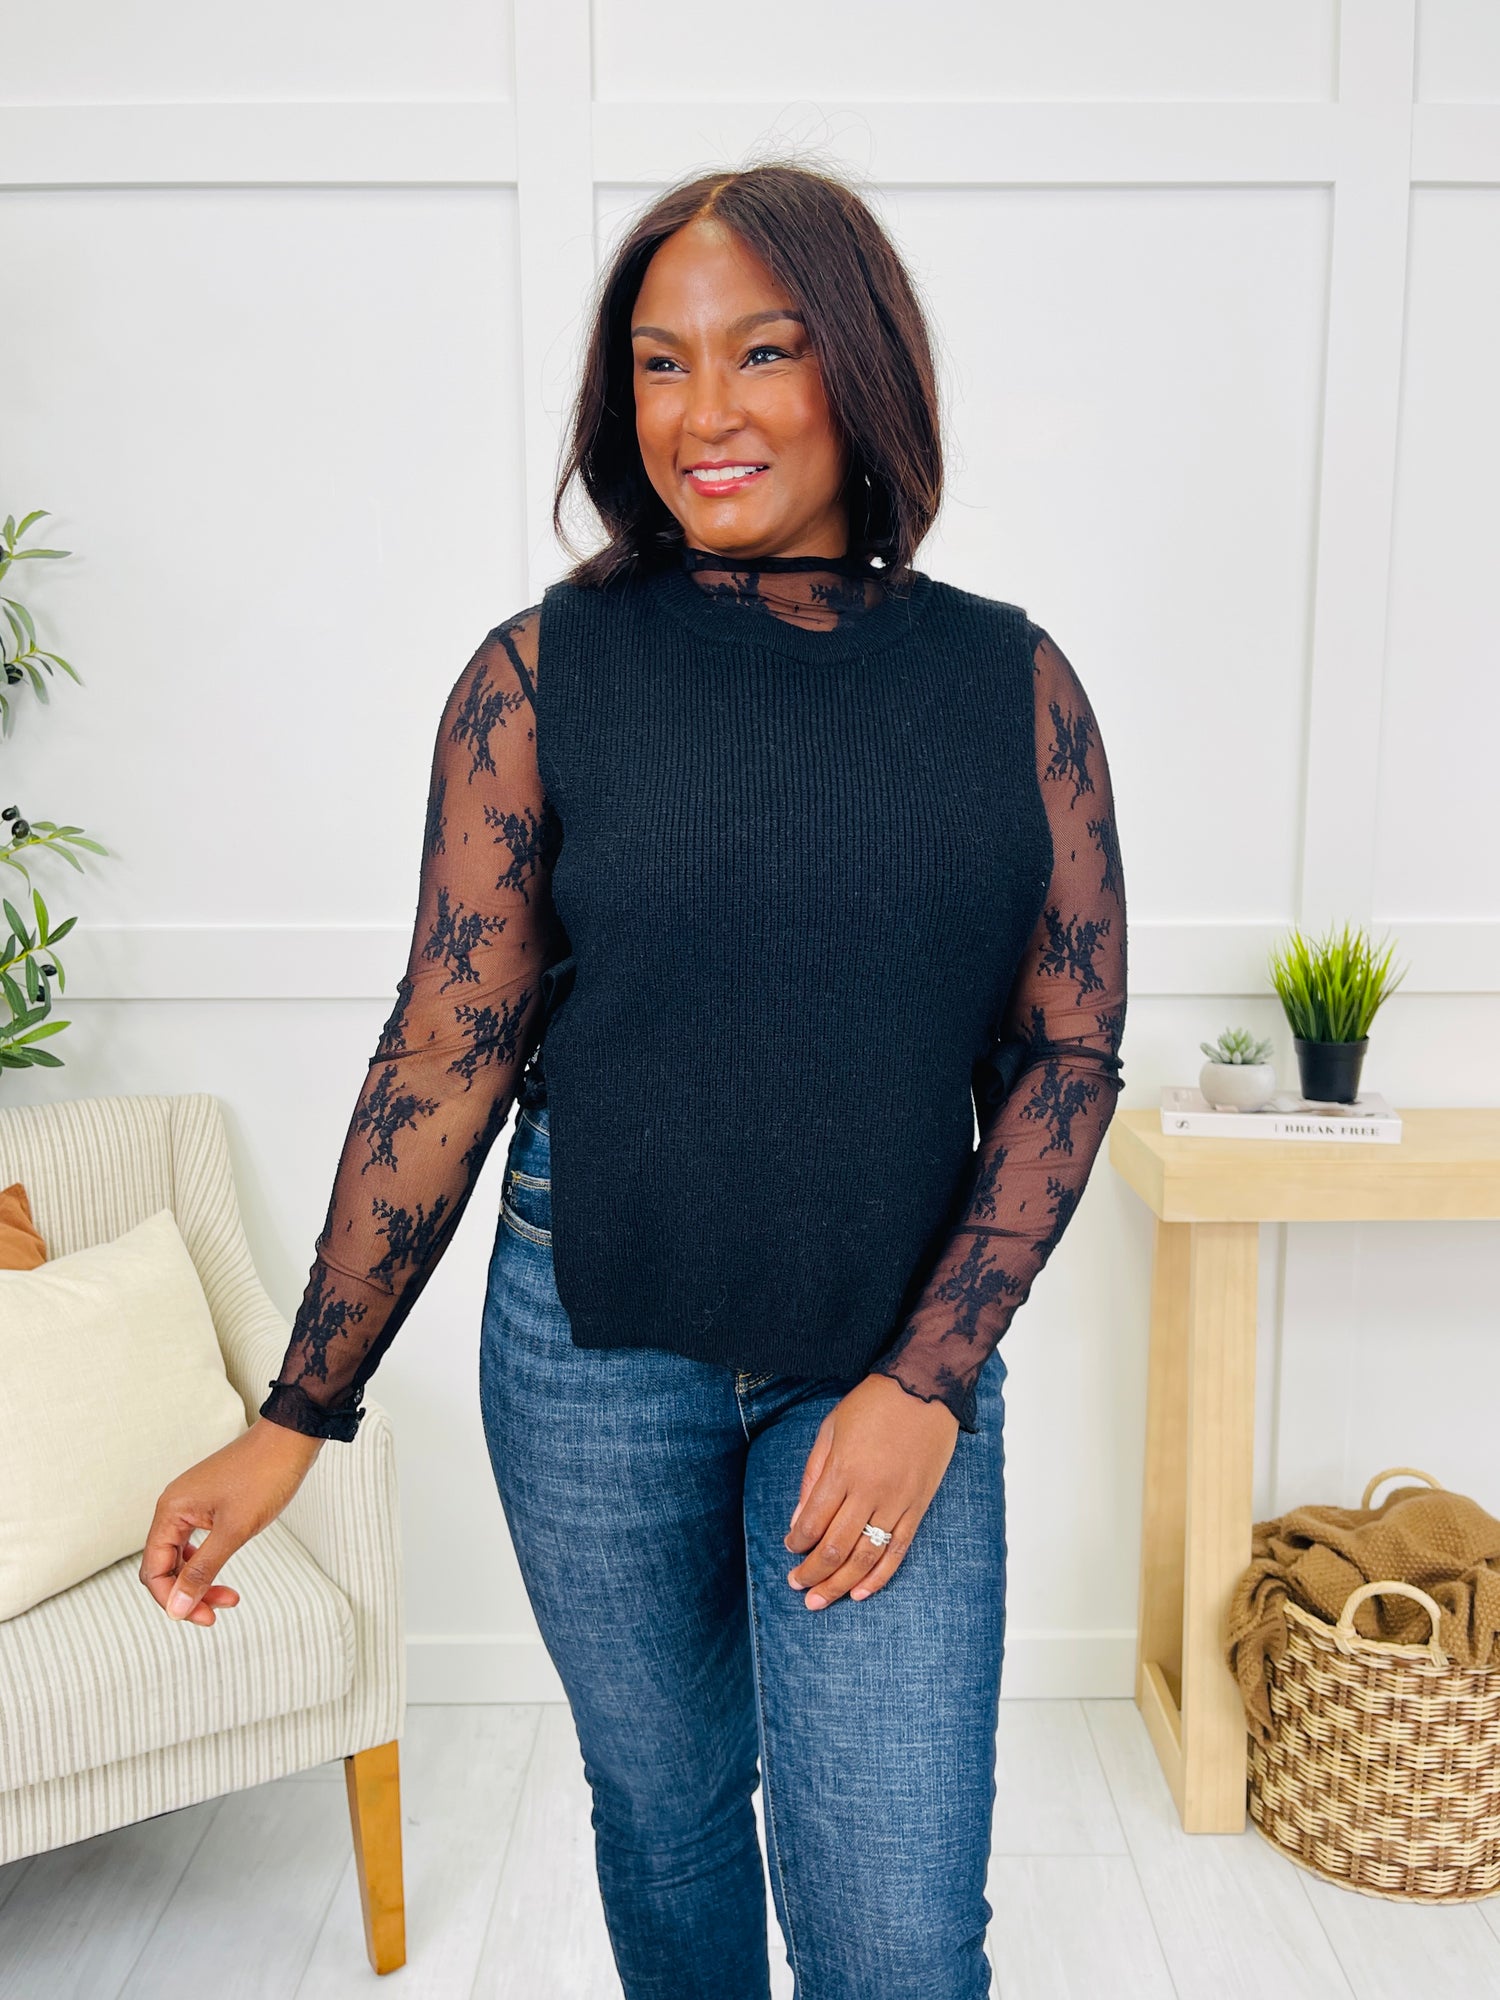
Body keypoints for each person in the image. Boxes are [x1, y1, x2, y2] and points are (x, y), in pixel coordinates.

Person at [143, 161, 1128, 2000]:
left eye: (763, 351)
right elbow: (449, 1044)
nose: (705, 412)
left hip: (884, 1346)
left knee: (897, 1938)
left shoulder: (1011, 684)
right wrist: (296, 1416)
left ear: (861, 369)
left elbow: (1068, 1050)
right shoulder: (538, 677)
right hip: (591, 1351)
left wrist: (929, 1380)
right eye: (661, 365)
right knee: (666, 1817)